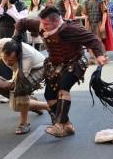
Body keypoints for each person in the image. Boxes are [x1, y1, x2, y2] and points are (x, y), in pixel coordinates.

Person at [14, 7, 107, 137]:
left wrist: (100, 55)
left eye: (47, 24)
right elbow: (22, 23)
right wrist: (16, 37)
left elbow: (93, 39)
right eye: (42, 23)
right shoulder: (40, 24)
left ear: (57, 21)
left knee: (63, 89)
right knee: (50, 96)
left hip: (74, 63)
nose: (43, 27)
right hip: (54, 65)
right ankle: (67, 125)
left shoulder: (70, 29)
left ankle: (58, 125)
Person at [0, 39, 49, 134]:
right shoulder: (1, 43)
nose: (7, 63)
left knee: (21, 90)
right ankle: (46, 106)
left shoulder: (27, 56)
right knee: (16, 106)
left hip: (39, 68)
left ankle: (24, 124)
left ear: (18, 55)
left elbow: (20, 81)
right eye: (5, 58)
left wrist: (4, 84)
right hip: (18, 70)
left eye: (11, 60)